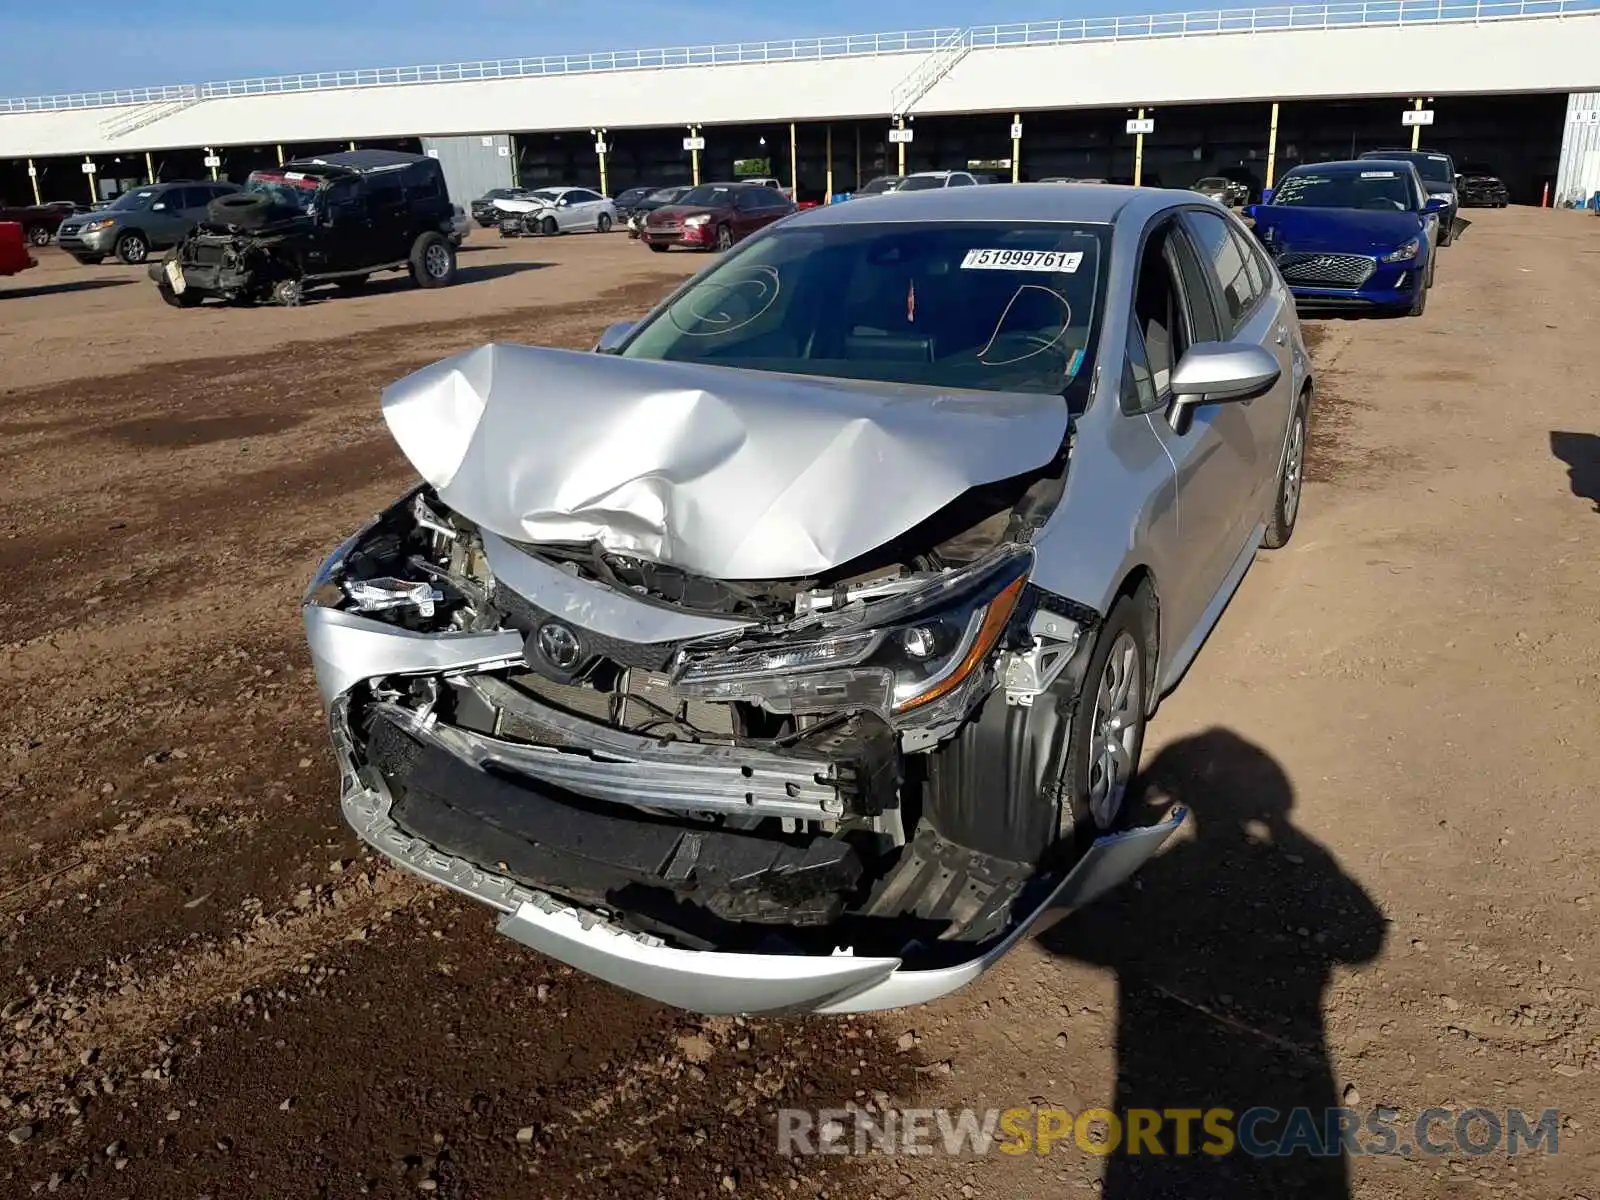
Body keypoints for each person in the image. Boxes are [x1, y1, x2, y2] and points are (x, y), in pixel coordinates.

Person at [1041, 728, 1386, 1198]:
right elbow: (1365, 939)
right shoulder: (1279, 868)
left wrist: (1123, 824)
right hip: (1288, 1121)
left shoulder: (1166, 879)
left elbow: (1056, 932)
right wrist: (1286, 835)